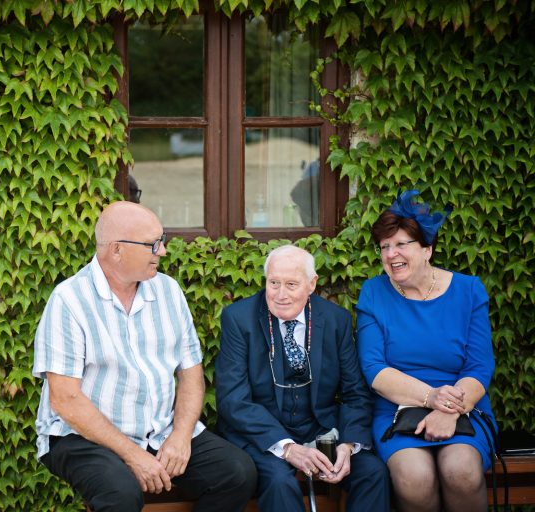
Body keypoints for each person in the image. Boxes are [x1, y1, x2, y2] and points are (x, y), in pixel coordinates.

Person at [33, 201, 257, 512]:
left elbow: (190, 373)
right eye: (153, 244)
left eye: (161, 240)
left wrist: (180, 437)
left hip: (160, 431)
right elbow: (65, 399)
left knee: (237, 473)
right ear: (116, 250)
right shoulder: (69, 301)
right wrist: (133, 454)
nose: (162, 251)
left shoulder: (168, 291)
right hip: (82, 437)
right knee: (121, 495)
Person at [216, 245, 390, 512]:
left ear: (312, 284)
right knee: (278, 482)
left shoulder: (336, 320)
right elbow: (233, 400)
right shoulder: (238, 319)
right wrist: (286, 447)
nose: (281, 295)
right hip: (261, 434)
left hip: (319, 429)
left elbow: (355, 392)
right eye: (273, 283)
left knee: (372, 472)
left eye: (291, 284)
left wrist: (348, 444)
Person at [357, 189, 497, 512]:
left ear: (427, 249)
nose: (391, 255)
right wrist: (430, 398)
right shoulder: (374, 293)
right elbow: (375, 370)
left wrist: (448, 409)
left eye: (401, 244)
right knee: (413, 477)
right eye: (384, 247)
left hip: (465, 406)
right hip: (397, 411)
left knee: (461, 470)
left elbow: (479, 367)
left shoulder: (468, 291)